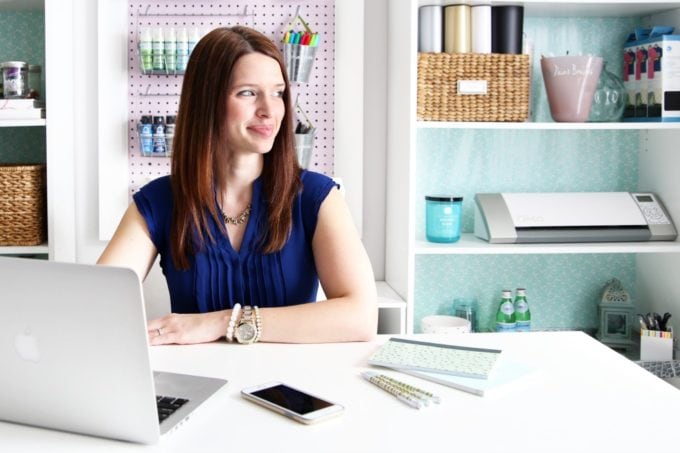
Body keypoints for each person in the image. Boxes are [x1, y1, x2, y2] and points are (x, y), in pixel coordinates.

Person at [98, 26, 377, 345]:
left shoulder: (316, 197)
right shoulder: (159, 201)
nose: (270, 111)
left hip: (290, 389)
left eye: (278, 93)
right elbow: (98, 304)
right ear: (207, 102)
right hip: (199, 385)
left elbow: (362, 317)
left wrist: (224, 322)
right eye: (248, 93)